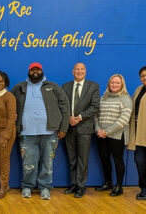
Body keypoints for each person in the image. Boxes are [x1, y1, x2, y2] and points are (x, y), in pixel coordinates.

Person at [12, 62, 70, 200]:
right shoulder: (20, 88)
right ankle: (27, 186)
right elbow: (9, 103)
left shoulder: (53, 87)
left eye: (37, 69)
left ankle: (45, 187)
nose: (35, 72)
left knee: (47, 162)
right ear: (29, 71)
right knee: (28, 163)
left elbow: (65, 106)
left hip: (49, 133)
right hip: (26, 133)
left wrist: (63, 127)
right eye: (33, 70)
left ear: (42, 71)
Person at [62, 63, 100, 198]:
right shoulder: (65, 86)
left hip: (85, 128)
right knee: (72, 159)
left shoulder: (93, 86)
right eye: (77, 69)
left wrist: (79, 117)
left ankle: (81, 186)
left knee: (82, 159)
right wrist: (69, 118)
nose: (79, 71)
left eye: (82, 69)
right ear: (73, 72)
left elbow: (95, 106)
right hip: (69, 128)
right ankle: (73, 184)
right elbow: (63, 105)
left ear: (86, 71)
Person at [94, 74, 132, 196]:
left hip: (117, 135)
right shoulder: (103, 98)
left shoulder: (125, 98)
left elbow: (124, 120)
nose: (114, 85)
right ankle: (108, 182)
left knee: (118, 160)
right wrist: (98, 129)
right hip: (101, 135)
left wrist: (107, 131)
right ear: (109, 84)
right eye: (112, 82)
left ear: (122, 85)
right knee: (104, 159)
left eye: (117, 83)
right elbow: (95, 115)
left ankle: (119, 186)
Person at [0, 71, 16, 199]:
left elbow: (12, 118)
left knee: (4, 159)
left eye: (1, 81)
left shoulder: (9, 97)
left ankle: (3, 187)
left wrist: (5, 136)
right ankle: (5, 185)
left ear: (5, 82)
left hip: (6, 132)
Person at [129, 66, 146, 200]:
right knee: (139, 162)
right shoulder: (138, 90)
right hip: (139, 134)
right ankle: (143, 188)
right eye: (142, 76)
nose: (144, 78)